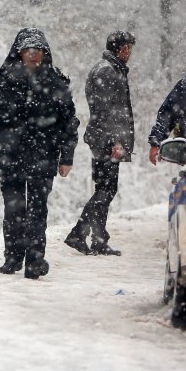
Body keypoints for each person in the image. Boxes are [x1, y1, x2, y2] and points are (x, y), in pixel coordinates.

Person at [0, 28, 79, 279]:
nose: (33, 54)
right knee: (13, 209)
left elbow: (69, 122)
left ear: (44, 52)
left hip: (44, 155)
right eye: (28, 50)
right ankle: (13, 257)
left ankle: (35, 261)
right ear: (18, 52)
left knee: (38, 209)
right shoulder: (2, 79)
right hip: (9, 155)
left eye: (37, 50)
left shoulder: (56, 82)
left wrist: (67, 156)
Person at [65, 31, 136, 256]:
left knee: (104, 188)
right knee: (107, 188)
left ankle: (98, 239)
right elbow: (107, 110)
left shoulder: (109, 69)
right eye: (127, 48)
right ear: (118, 49)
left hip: (102, 137)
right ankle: (79, 233)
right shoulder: (107, 71)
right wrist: (116, 140)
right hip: (106, 139)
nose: (129, 53)